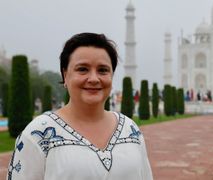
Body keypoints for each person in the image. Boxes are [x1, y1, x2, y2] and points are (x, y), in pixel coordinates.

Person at [7, 33, 153, 180]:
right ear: (65, 75)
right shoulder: (38, 134)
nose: (94, 79)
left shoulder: (130, 130)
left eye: (103, 70)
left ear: (112, 76)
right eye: (82, 69)